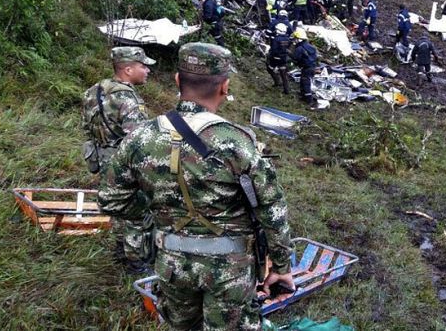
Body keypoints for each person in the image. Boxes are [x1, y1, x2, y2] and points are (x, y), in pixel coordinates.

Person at [98, 43, 294, 330]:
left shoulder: (139, 137)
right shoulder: (237, 141)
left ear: (178, 81)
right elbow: (272, 210)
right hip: (230, 268)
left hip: (172, 263)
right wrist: (281, 267)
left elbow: (110, 200)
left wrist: (155, 212)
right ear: (224, 88)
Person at [82, 46, 155, 273]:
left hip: (103, 158)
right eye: (143, 66)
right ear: (128, 69)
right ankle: (136, 262)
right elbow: (139, 138)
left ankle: (121, 249)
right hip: (124, 163)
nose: (147, 71)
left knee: (118, 207)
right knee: (138, 211)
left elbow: (87, 127)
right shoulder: (127, 98)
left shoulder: (94, 91)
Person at [290, 28, 318, 108]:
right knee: (303, 81)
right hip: (312, 67)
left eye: (295, 39)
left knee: (306, 83)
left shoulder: (299, 48)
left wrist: (289, 54)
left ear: (299, 39)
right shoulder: (311, 47)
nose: (294, 40)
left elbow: (295, 58)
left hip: (306, 68)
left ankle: (309, 101)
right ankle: (303, 96)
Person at [267, 23, 291, 94]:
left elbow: (274, 50)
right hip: (283, 58)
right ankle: (286, 90)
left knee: (270, 69)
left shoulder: (276, 39)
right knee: (283, 74)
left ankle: (277, 81)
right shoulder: (288, 39)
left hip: (275, 58)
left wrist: (270, 55)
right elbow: (288, 48)